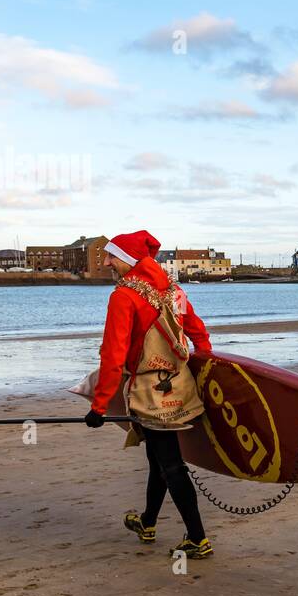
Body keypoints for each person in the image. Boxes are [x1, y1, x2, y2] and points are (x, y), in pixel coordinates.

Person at [87, 230, 215, 559]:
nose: (106, 262)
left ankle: (197, 539)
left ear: (127, 260)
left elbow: (113, 356)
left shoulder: (124, 296)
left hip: (149, 392)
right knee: (158, 458)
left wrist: (99, 407)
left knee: (170, 463)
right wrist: (206, 370)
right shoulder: (173, 291)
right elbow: (198, 331)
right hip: (180, 384)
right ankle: (148, 521)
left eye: (111, 257)